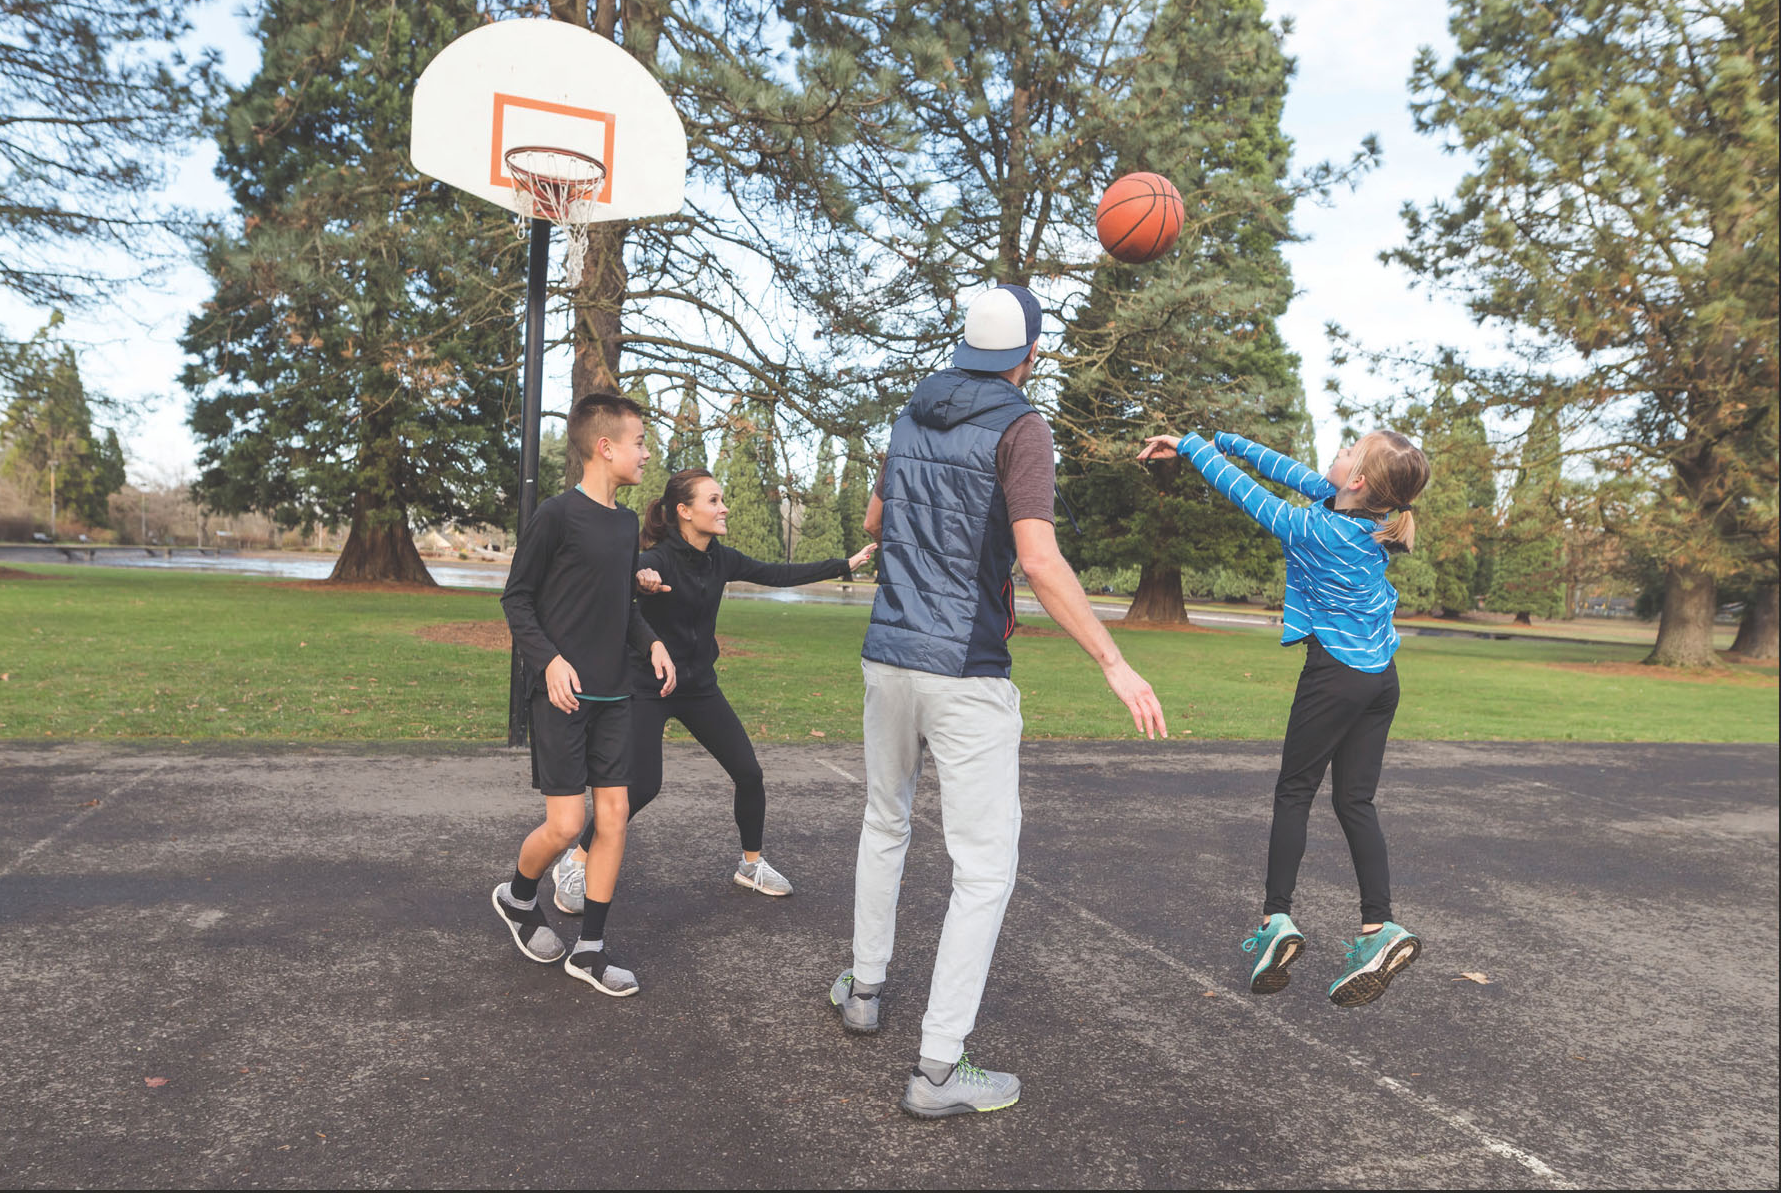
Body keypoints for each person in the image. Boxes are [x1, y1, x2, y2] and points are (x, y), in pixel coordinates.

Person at [834, 284, 1167, 1120]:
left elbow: (877, 516)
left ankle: (865, 989)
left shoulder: (910, 418)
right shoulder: (1022, 427)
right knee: (983, 868)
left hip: (887, 657)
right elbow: (1040, 561)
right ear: (1028, 355)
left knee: (886, 821)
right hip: (965, 667)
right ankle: (940, 1069)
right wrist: (1114, 661)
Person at [1136, 427, 1430, 1007]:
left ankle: (1278, 920)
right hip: (1380, 679)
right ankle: (1380, 927)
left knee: (1294, 792)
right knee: (1355, 802)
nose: (1340, 448)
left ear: (1358, 480)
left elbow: (1251, 496)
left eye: (1350, 448)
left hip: (1336, 677)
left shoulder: (1318, 528)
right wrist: (1222, 439)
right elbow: (1289, 473)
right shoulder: (1357, 515)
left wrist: (1197, 449)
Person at [548, 468, 876, 906]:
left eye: (722, 500)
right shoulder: (658, 560)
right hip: (648, 686)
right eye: (714, 501)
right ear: (684, 512)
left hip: (699, 686)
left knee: (749, 772)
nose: (724, 508)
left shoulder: (721, 558)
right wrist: (636, 580)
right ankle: (575, 862)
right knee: (642, 787)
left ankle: (751, 864)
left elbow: (777, 573)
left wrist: (844, 565)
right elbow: (616, 586)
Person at [494, 393, 676, 997]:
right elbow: (516, 599)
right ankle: (519, 896)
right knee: (567, 825)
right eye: (640, 442)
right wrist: (547, 662)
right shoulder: (556, 515)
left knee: (616, 816)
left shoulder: (626, 523)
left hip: (615, 694)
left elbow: (618, 600)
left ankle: (590, 950)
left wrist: (649, 640)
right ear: (606, 447)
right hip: (562, 696)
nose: (647, 452)